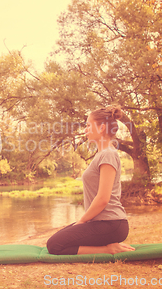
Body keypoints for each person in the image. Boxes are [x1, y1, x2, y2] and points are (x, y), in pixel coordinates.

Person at [46, 105, 135, 255]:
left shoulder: (108, 154)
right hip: (102, 223)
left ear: (101, 128)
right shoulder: (102, 154)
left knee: (54, 245)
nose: (85, 130)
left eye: (88, 126)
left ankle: (107, 249)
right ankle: (106, 244)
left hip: (111, 224)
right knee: (56, 241)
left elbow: (103, 199)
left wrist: (81, 221)